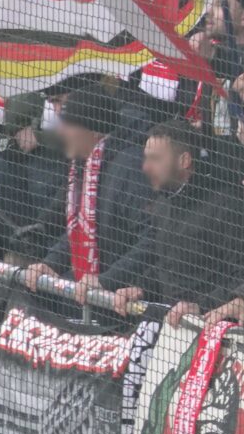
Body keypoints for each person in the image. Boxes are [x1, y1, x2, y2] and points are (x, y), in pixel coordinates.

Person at [98, 122, 244, 316]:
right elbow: (167, 269)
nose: (145, 167)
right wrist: (141, 288)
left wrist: (201, 307)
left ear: (184, 160)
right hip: (173, 323)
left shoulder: (228, 206)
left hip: (216, 326)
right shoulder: (163, 205)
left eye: (155, 159)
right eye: (146, 158)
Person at [23, 82, 151, 299]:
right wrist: (50, 264)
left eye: (68, 125)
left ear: (93, 131)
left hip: (124, 294)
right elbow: (80, 230)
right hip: (94, 284)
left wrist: (108, 280)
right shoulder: (85, 166)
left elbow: (152, 239)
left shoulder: (130, 169)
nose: (60, 131)